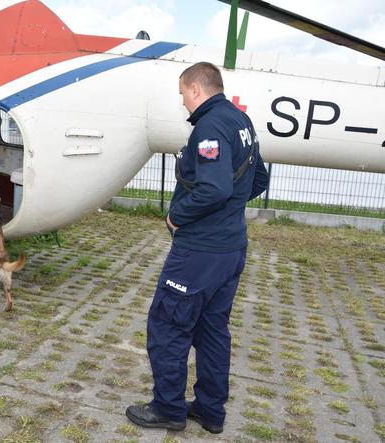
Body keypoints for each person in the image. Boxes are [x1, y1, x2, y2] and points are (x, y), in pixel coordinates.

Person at [126, 61, 269, 434]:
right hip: (231, 248)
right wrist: (227, 214)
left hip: (199, 254)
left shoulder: (209, 126)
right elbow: (259, 179)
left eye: (182, 95)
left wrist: (178, 217)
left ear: (195, 89)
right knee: (212, 330)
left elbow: (215, 188)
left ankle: (169, 409)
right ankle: (209, 411)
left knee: (168, 327)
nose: (183, 104)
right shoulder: (242, 121)